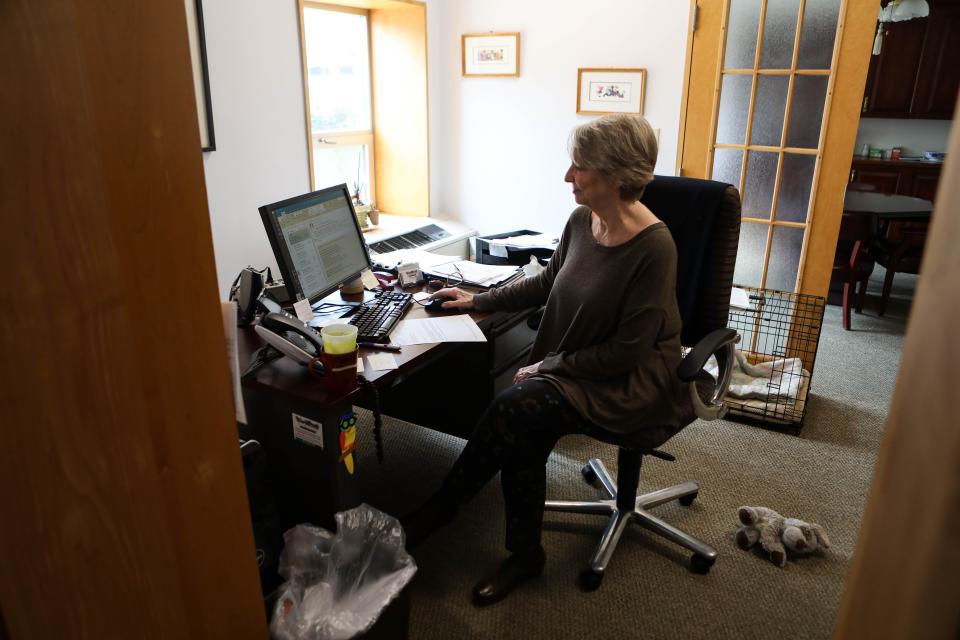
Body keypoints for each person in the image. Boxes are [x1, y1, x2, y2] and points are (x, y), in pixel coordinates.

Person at [402, 114, 688, 606]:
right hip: (578, 363)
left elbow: (627, 352)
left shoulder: (654, 247)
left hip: (627, 380)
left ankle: (438, 515)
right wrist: (479, 301)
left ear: (616, 176)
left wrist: (549, 367)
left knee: (519, 407)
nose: (567, 177)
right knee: (523, 420)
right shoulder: (582, 220)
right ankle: (522, 553)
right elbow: (545, 283)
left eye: (579, 167)